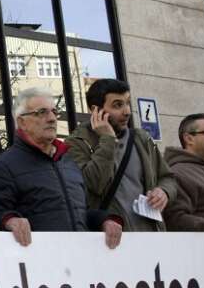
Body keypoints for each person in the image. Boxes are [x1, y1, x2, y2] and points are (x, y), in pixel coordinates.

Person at [0, 87, 123, 247]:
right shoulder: (4, 166)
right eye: (42, 112)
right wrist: (9, 220)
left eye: (54, 111)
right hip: (39, 263)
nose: (52, 118)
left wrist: (105, 220)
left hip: (79, 259)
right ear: (21, 122)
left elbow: (81, 212)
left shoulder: (68, 162)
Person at [66, 79, 177, 231]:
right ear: (95, 110)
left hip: (150, 236)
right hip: (110, 240)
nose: (127, 111)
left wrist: (164, 191)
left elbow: (167, 178)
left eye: (127, 103)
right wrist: (108, 140)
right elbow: (94, 184)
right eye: (118, 105)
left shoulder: (141, 138)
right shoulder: (76, 143)